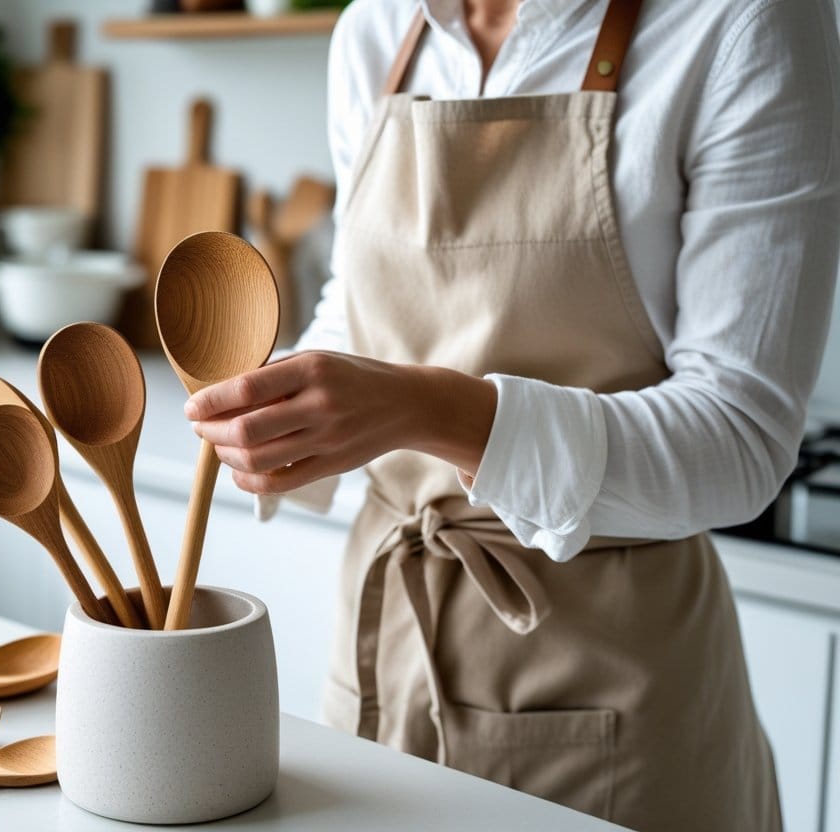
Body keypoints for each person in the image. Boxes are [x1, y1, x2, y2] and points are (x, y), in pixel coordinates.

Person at [184, 0, 840, 828]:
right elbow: (363, 309)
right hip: (385, 648)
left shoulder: (744, 20)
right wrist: (279, 399)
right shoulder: (377, 30)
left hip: (613, 690)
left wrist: (424, 409)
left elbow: (740, 437)